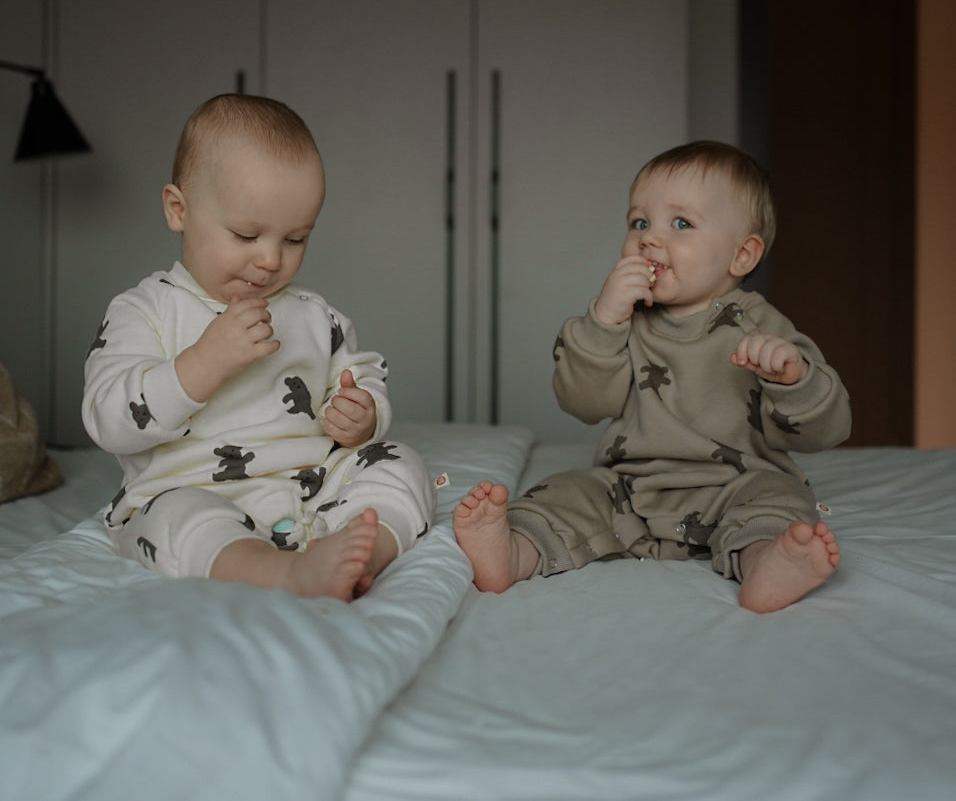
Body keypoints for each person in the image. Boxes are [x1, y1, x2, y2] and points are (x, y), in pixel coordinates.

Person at [454, 140, 851, 613]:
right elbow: (583, 403)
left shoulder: (762, 326)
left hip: (736, 484)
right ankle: (514, 551)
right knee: (569, 492)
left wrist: (793, 378)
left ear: (742, 256)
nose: (649, 238)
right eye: (639, 222)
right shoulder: (621, 320)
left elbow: (827, 431)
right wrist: (603, 321)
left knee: (778, 500)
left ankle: (768, 560)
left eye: (680, 223)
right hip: (629, 488)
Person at [83, 94, 436, 601]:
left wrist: (364, 414)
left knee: (400, 461)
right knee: (171, 522)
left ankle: (366, 552)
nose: (271, 260)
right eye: (246, 234)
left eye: (295, 239)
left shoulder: (316, 315)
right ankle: (280, 574)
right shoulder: (144, 311)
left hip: (312, 488)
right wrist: (204, 363)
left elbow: (360, 375)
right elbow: (107, 416)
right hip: (192, 490)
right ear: (179, 210)